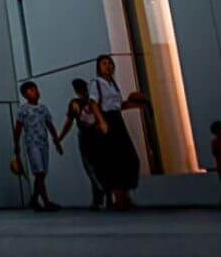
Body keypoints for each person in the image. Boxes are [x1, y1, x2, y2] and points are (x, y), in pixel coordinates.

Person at [90, 54, 147, 210]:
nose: (108, 66)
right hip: (107, 121)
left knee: (129, 158)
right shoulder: (97, 83)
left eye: (109, 63)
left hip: (117, 119)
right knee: (114, 159)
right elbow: (93, 103)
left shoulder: (113, 84)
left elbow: (117, 105)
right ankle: (118, 198)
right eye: (104, 63)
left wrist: (134, 105)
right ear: (99, 67)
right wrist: (102, 121)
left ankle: (125, 196)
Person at [13, 81, 63, 211]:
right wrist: (16, 144)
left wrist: (56, 140)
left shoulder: (43, 108)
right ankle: (46, 202)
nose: (35, 91)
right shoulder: (23, 110)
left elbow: (49, 125)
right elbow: (18, 128)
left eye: (35, 89)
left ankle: (34, 199)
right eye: (31, 90)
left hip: (43, 143)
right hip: (32, 143)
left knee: (42, 173)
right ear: (25, 94)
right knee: (39, 172)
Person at [59, 78, 108, 209]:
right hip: (98, 134)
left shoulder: (75, 103)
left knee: (90, 167)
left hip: (86, 136)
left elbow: (69, 122)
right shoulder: (93, 100)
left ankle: (99, 194)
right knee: (101, 165)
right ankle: (104, 196)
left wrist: (60, 137)